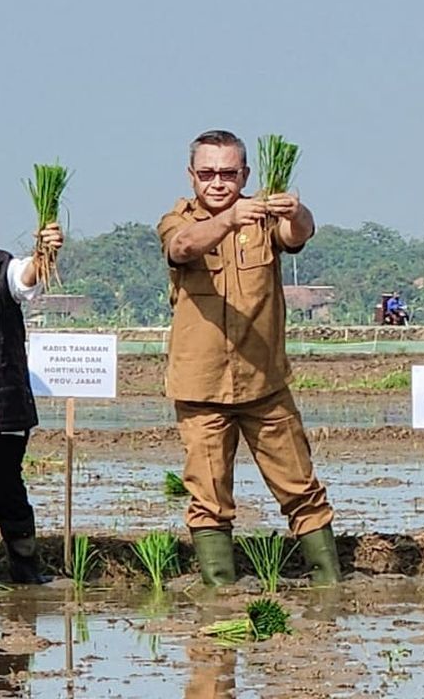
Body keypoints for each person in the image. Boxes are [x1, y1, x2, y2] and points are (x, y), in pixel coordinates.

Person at [157, 129, 340, 586]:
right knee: (208, 497)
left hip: (265, 385)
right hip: (201, 388)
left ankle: (328, 584)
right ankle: (221, 591)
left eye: (228, 173)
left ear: (245, 174)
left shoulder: (263, 217)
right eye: (207, 173)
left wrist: (295, 210)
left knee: (301, 488)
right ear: (191, 175)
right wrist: (229, 220)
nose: (217, 182)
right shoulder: (178, 219)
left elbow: (298, 235)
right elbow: (182, 247)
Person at [0, 200, 62, 584]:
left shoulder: (2, 269)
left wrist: (45, 252)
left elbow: (28, 277)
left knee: (7, 494)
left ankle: (26, 572)